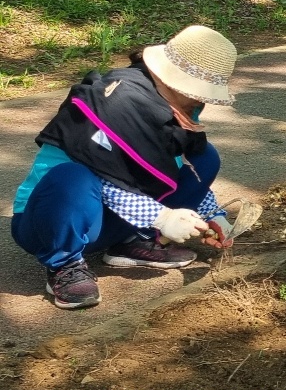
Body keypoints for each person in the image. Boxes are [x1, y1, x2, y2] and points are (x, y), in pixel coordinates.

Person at [11, 26, 242, 310]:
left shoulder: (171, 105)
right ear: (176, 82)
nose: (202, 100)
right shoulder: (116, 103)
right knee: (72, 177)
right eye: (200, 92)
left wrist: (212, 215)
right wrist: (162, 218)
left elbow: (174, 165)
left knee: (205, 159)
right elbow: (103, 179)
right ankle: (64, 264)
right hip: (49, 220)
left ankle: (135, 241)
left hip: (111, 222)